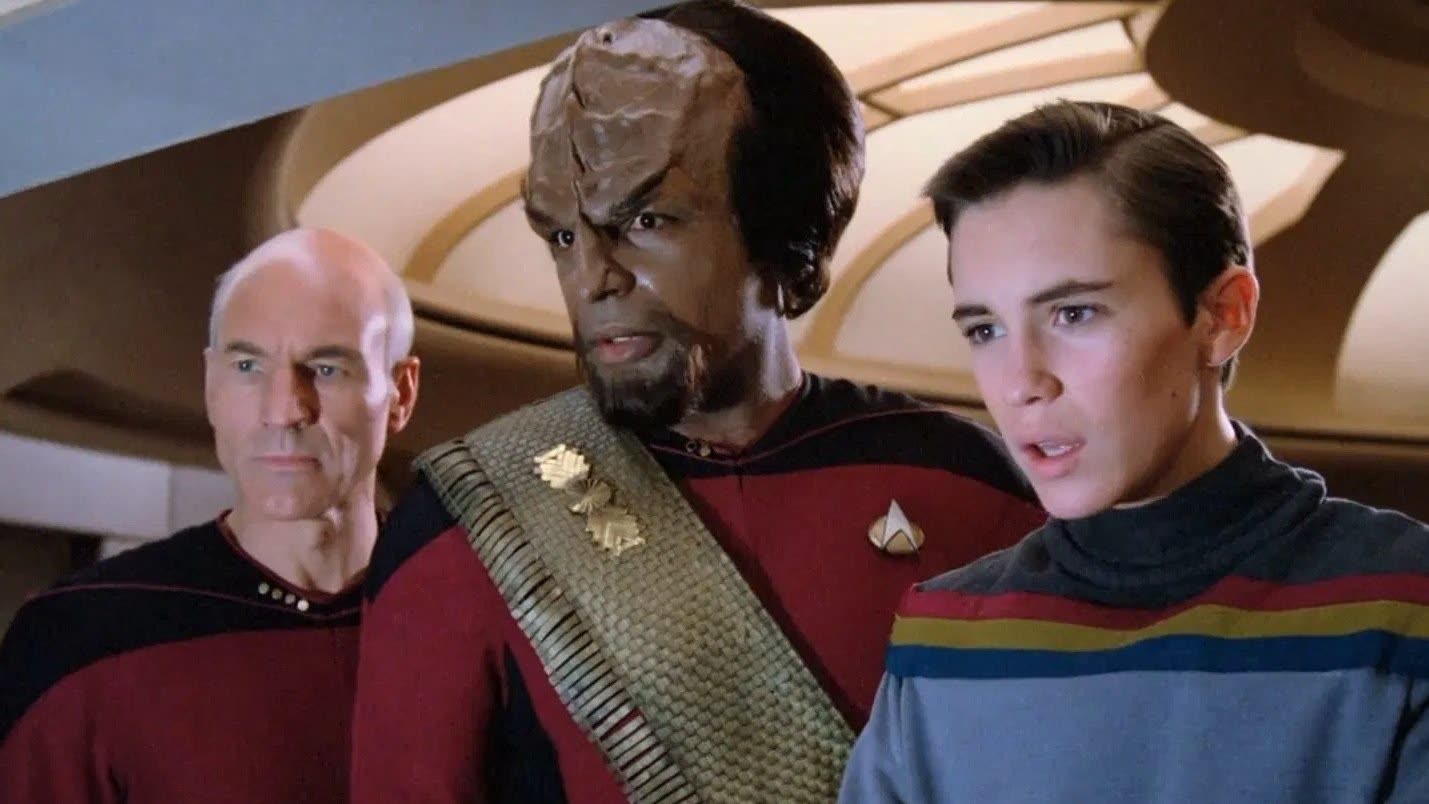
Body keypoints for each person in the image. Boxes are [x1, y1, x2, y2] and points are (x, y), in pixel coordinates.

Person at [350, 2, 1042, 801]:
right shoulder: (468, 522)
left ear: (784, 234)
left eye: (645, 220)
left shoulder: (967, 486)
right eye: (564, 236)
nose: (592, 278)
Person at [839, 100, 1429, 803]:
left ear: (1223, 316)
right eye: (984, 329)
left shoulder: (1403, 606)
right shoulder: (943, 640)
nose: (1022, 383)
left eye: (1074, 313)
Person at [0, 228, 420, 802]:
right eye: (248, 366)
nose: (284, 410)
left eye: (326, 369)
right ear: (210, 385)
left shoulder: (479, 616)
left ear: (400, 393)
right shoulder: (80, 636)